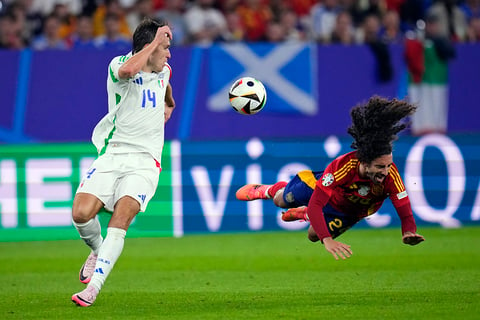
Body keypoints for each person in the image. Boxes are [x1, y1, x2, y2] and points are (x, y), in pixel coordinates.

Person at [236, 96, 425, 260]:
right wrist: (328, 241)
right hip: (320, 190)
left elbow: (404, 207)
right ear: (365, 162)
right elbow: (317, 203)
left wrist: (408, 231)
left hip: (352, 211)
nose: (385, 171)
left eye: (388, 166)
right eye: (380, 166)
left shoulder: (391, 175)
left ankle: (305, 214)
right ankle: (270, 189)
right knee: (281, 201)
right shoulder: (341, 168)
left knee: (312, 235)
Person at [70, 19, 174, 307]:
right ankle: (97, 250)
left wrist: (168, 103)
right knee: (80, 214)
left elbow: (166, 85)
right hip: (112, 152)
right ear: (148, 46)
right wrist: (155, 41)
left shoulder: (164, 70)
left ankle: (93, 288)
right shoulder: (119, 65)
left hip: (145, 161)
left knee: (122, 217)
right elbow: (130, 70)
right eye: (165, 47)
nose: (168, 53)